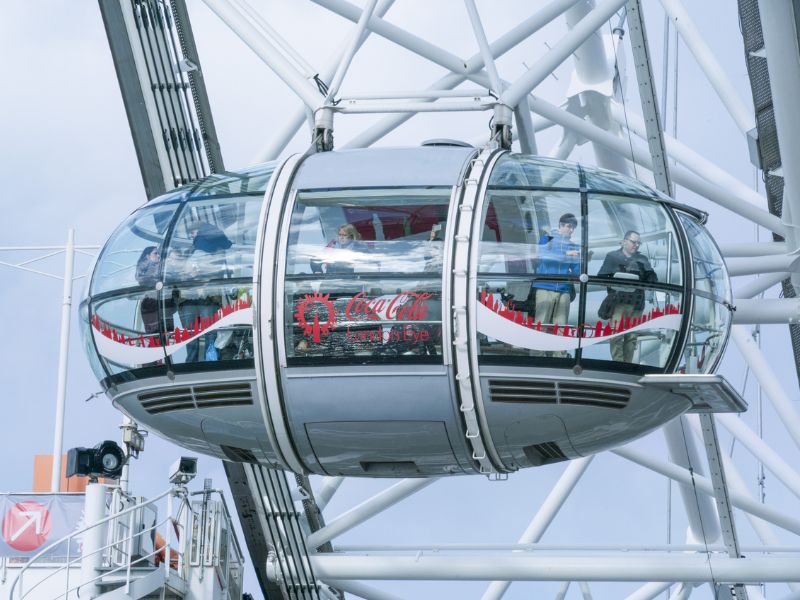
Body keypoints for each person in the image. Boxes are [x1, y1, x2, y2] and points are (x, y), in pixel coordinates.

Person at [597, 230, 657, 363]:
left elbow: (653, 279)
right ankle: (618, 363)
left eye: (638, 243)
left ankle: (627, 364)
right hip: (618, 303)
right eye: (633, 242)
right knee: (616, 335)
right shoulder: (612, 257)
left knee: (632, 337)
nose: (636, 245)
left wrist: (647, 277)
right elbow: (601, 277)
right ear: (624, 241)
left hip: (637, 304)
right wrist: (615, 281)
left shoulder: (643, 259)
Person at [182, 221, 232, 361]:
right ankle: (201, 361)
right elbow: (184, 271)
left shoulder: (207, 248)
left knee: (207, 331)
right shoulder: (195, 249)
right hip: (193, 298)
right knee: (193, 333)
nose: (191, 236)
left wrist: (198, 274)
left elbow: (215, 270)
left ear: (200, 232)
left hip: (205, 297)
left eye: (193, 233)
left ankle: (208, 360)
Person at [530, 213, 580, 329]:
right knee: (541, 325)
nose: (571, 230)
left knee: (561, 327)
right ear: (560, 225)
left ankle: (560, 348)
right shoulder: (546, 239)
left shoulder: (573, 246)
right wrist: (566, 254)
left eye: (573, 227)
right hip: (545, 287)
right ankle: (537, 348)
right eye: (568, 226)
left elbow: (576, 272)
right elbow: (544, 257)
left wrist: (582, 260)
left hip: (564, 289)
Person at [135, 246, 174, 335]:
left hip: (165, 304)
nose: (158, 255)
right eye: (155, 253)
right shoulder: (143, 271)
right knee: (155, 336)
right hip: (150, 306)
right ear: (147, 256)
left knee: (168, 334)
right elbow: (143, 281)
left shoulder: (164, 268)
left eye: (158, 253)